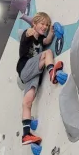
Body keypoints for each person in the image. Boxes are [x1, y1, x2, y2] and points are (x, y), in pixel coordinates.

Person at [17, 12, 66, 145]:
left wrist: (51, 31)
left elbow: (47, 41)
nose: (44, 27)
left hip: (32, 74)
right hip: (25, 67)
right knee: (48, 53)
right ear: (35, 23)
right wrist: (31, 29)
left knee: (27, 101)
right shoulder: (28, 34)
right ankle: (52, 72)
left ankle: (26, 134)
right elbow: (28, 33)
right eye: (42, 24)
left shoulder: (40, 40)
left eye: (46, 25)